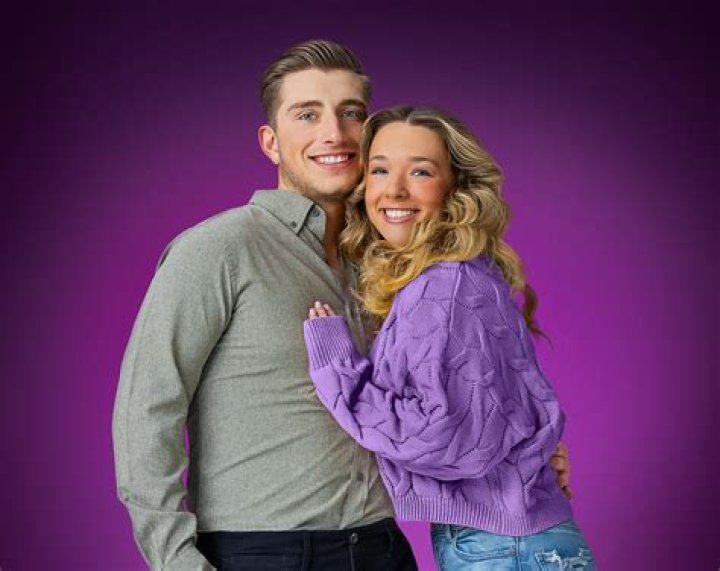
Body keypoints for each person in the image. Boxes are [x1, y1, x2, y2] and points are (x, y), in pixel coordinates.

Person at [112, 39, 571, 570]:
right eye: (307, 114)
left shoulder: (391, 266)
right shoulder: (218, 250)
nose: (333, 133)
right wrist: (177, 563)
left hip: (382, 547)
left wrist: (525, 453)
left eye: (351, 113)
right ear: (270, 142)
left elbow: (455, 396)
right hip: (264, 553)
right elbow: (146, 410)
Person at [303, 106, 594, 570]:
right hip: (521, 540)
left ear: (455, 187)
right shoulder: (466, 274)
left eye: (420, 171)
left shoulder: (444, 286)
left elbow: (442, 435)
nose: (394, 190)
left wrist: (339, 371)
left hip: (504, 549)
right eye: (380, 170)